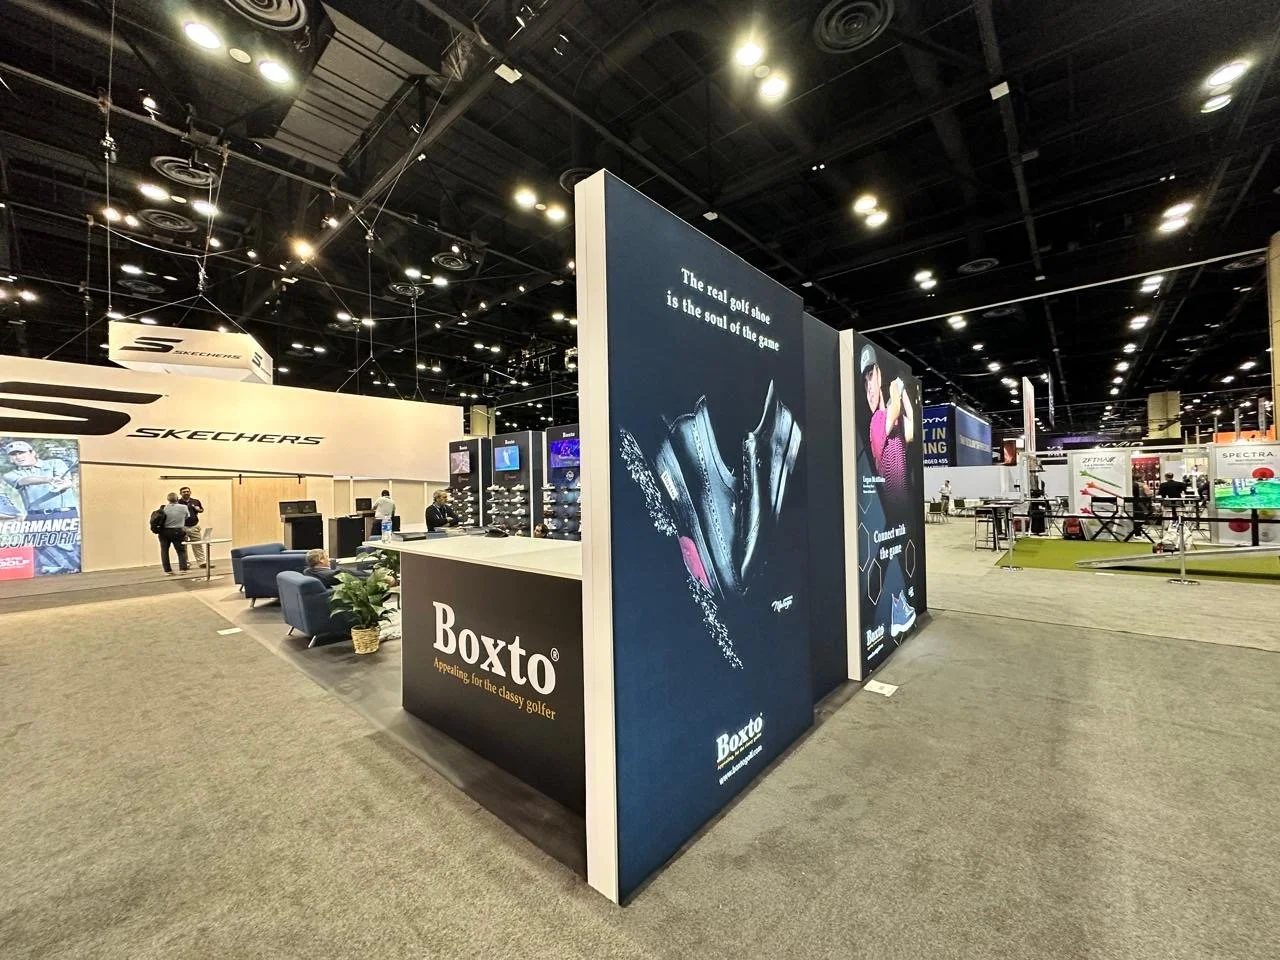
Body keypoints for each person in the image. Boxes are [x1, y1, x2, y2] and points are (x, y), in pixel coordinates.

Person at [3, 439, 81, 574]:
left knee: (67, 550)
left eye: (22, 453)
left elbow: (67, 482)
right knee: (43, 554)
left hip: (62, 514)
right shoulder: (10, 474)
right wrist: (48, 479)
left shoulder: (55, 463)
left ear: (33, 453)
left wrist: (60, 485)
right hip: (35, 517)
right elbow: (24, 481)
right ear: (10, 459)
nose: (18, 457)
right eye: (14, 454)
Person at [157, 492, 190, 574]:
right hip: (177, 530)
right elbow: (187, 516)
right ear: (177, 498)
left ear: (168, 500)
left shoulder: (163, 508)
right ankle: (183, 569)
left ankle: (168, 570)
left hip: (164, 531)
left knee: (164, 550)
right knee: (181, 550)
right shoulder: (184, 507)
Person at [178, 486, 207, 568]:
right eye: (184, 492)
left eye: (187, 491)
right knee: (183, 546)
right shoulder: (178, 503)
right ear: (180, 493)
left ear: (190, 492)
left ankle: (202, 562)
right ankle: (186, 563)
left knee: (198, 544)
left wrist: (198, 510)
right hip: (183, 526)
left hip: (194, 526)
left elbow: (201, 510)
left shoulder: (195, 501)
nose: (186, 493)